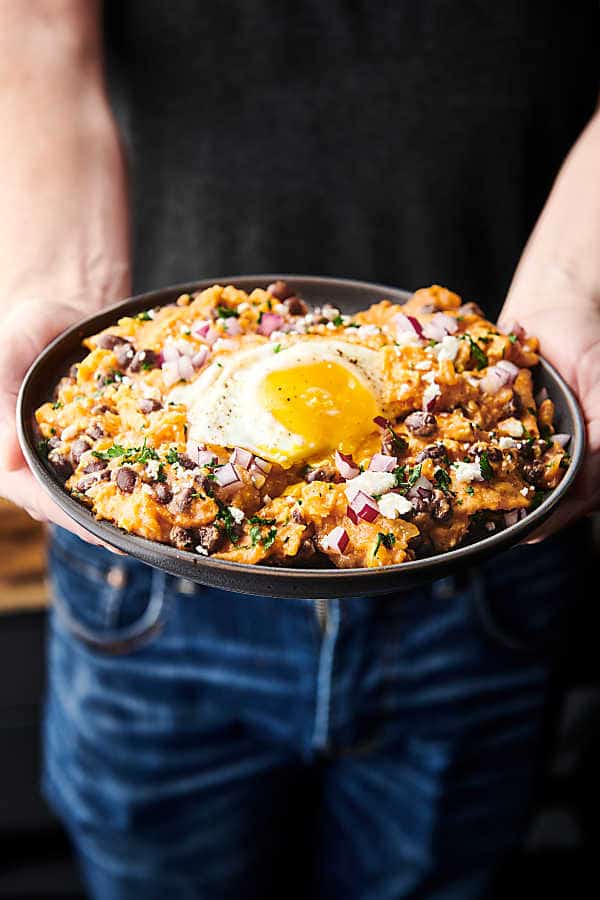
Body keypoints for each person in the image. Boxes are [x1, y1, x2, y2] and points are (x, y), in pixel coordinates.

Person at [1, 2, 598, 898]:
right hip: (141, 579)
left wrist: (576, 287)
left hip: (496, 566)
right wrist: (53, 294)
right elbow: (36, 27)